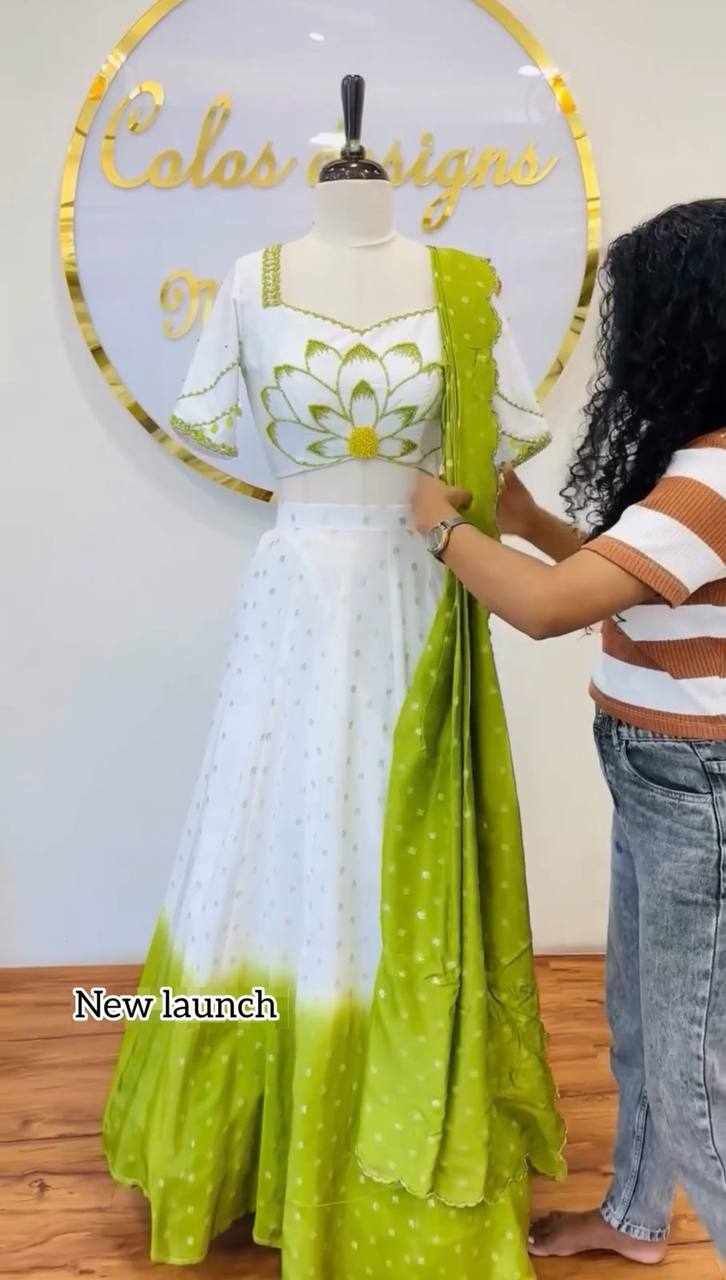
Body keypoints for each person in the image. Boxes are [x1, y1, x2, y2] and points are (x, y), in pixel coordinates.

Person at [411, 198, 726, 1265]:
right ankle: (636, 1219)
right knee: (642, 1022)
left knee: (692, 1076)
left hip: (698, 786)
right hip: (662, 774)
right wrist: (527, 519)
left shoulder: (713, 478)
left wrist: (439, 527)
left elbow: (551, 609)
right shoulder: (698, 465)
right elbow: (628, 579)